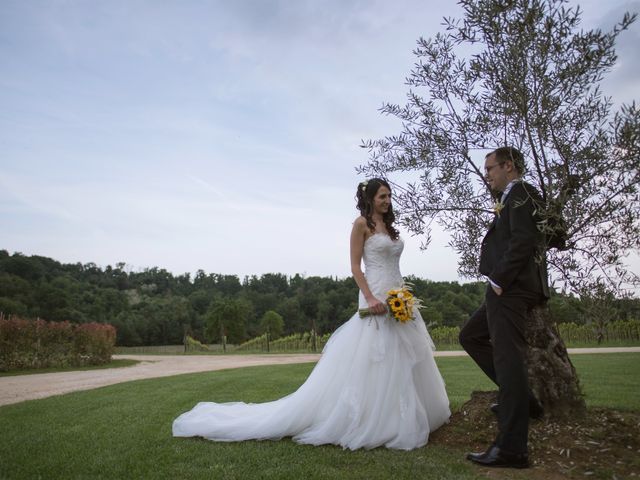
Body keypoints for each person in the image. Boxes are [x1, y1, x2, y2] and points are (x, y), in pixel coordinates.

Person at [172, 178, 450, 450]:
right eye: (382, 197)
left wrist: (401, 295)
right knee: (378, 357)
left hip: (398, 296)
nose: (387, 201)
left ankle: (409, 414)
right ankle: (376, 420)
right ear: (370, 199)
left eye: (389, 196)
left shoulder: (389, 228)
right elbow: (355, 267)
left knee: (405, 356)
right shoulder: (360, 225)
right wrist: (370, 297)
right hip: (375, 295)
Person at [459, 147, 549, 468]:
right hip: (506, 288)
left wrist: (498, 280)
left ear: (508, 166)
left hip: (508, 289)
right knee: (470, 336)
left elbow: (523, 240)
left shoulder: (521, 192)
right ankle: (524, 403)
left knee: (508, 359)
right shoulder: (517, 195)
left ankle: (512, 449)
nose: (488, 175)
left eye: (490, 168)